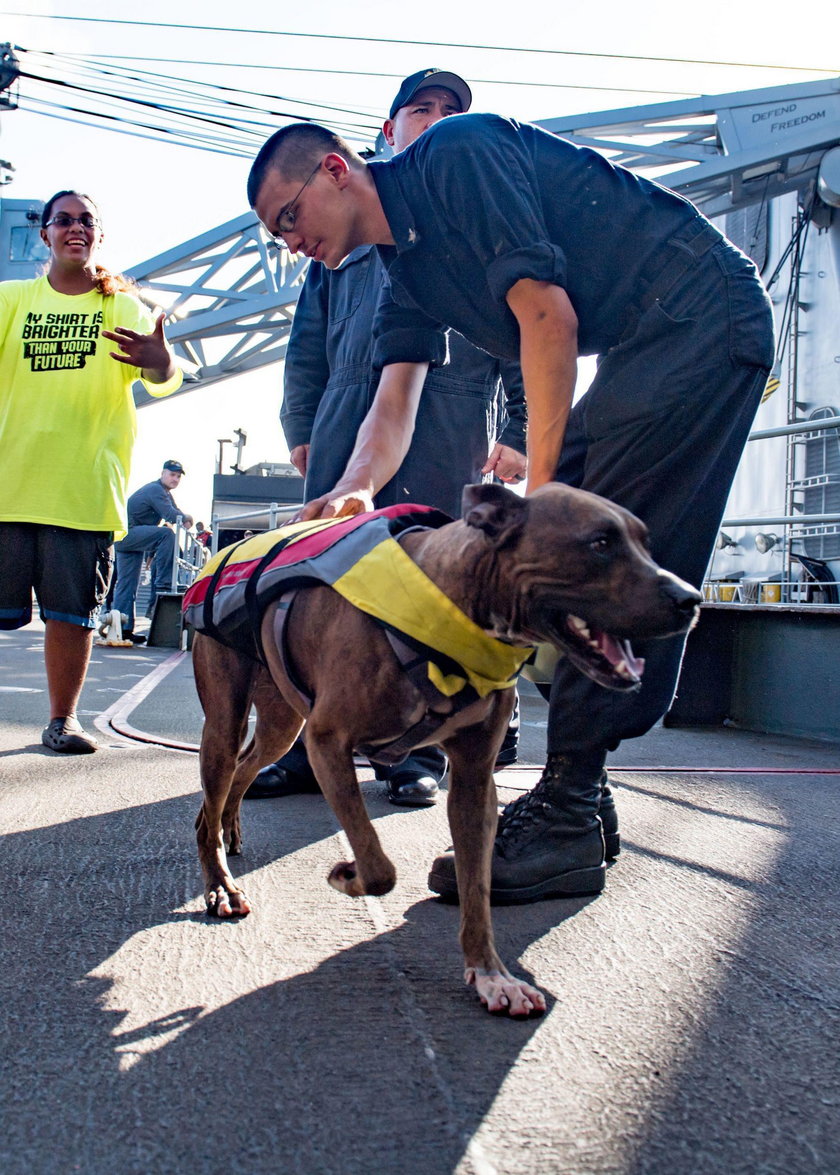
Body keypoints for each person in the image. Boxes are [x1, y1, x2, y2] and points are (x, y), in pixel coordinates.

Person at [247, 112, 775, 900]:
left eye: (289, 217)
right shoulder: (405, 274)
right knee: (570, 547)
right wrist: (356, 484)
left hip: (700, 313)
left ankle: (565, 808)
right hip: (645, 342)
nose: (291, 243)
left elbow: (546, 317)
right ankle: (583, 796)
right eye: (274, 235)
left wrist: (545, 506)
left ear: (334, 169)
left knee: (585, 555)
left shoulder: (455, 156)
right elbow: (395, 403)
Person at [249, 69, 527, 807]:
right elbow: (305, 345)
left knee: (435, 587)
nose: (436, 120)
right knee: (323, 587)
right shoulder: (341, 238)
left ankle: (420, 754)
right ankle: (315, 743)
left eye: (452, 111)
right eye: (421, 109)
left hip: (451, 419)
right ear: (385, 131)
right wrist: (301, 425)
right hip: (347, 415)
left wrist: (521, 430)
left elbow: (522, 335)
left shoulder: (476, 223)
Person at [0, 190, 182, 752]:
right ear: (45, 234)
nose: (75, 228)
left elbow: (164, 376)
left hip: (82, 489)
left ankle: (62, 721)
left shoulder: (124, 307)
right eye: (64, 220)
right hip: (10, 484)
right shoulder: (10, 300)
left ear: (97, 235)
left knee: (70, 615)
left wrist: (162, 360)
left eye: (86, 221)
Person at [112, 460, 193, 636]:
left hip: (126, 538)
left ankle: (122, 629)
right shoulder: (155, 490)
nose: (175, 479)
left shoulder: (163, 492)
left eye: (178, 477)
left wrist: (183, 517)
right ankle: (163, 581)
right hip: (129, 533)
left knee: (127, 584)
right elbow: (171, 515)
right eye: (172, 475)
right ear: (163, 473)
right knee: (166, 534)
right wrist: (187, 518)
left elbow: (174, 510)